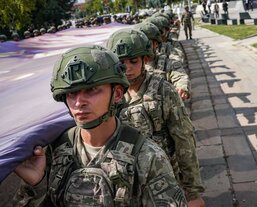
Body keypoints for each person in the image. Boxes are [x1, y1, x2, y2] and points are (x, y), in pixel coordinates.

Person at [12, 45, 188, 206]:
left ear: (117, 94)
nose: (79, 102)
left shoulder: (147, 157)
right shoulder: (54, 151)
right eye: (71, 93)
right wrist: (37, 185)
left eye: (91, 90)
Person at [107, 28, 205, 207]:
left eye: (133, 61)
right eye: (121, 63)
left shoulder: (163, 90)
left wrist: (192, 191)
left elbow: (184, 140)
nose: (127, 68)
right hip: (126, 182)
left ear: (145, 59)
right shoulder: (110, 95)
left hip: (163, 179)